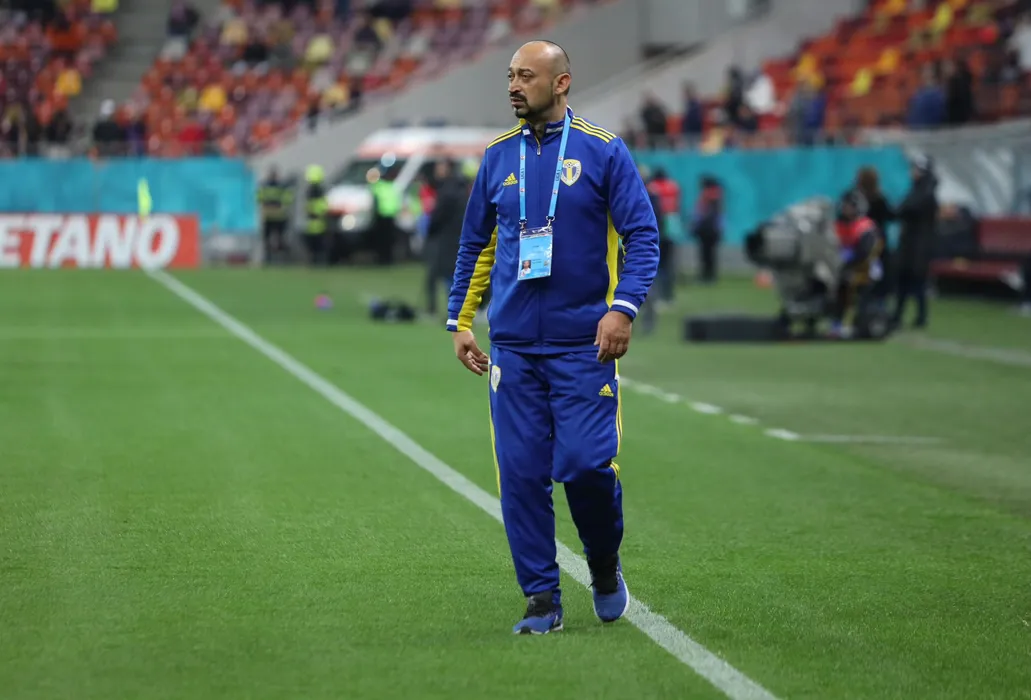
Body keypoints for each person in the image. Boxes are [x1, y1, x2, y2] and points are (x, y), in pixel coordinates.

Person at [446, 40, 660, 635]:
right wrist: (461, 321)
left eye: (526, 76)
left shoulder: (602, 151)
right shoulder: (497, 157)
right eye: (510, 75)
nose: (513, 86)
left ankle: (604, 565)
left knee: (587, 466)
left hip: (584, 347)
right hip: (514, 349)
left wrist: (622, 310)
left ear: (561, 82)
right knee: (520, 475)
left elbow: (643, 236)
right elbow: (475, 245)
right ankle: (541, 598)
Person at [892, 154, 939, 329]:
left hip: (919, 245)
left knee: (917, 281)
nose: (912, 172)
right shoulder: (918, 190)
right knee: (905, 280)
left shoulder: (926, 193)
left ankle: (919, 316)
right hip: (911, 242)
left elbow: (906, 208)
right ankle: (900, 315)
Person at [831, 189, 883, 337]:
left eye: (849, 206)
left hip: (865, 269)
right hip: (843, 267)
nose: (846, 209)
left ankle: (856, 323)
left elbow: (865, 253)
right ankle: (836, 322)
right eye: (844, 206)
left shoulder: (865, 227)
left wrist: (848, 260)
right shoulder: (838, 225)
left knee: (854, 290)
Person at [424, 159, 466, 316]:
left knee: (445, 273)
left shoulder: (448, 191)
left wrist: (430, 229)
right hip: (458, 236)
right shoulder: (459, 187)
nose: (437, 171)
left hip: (447, 238)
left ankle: (453, 309)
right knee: (452, 273)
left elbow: (438, 216)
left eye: (440, 167)